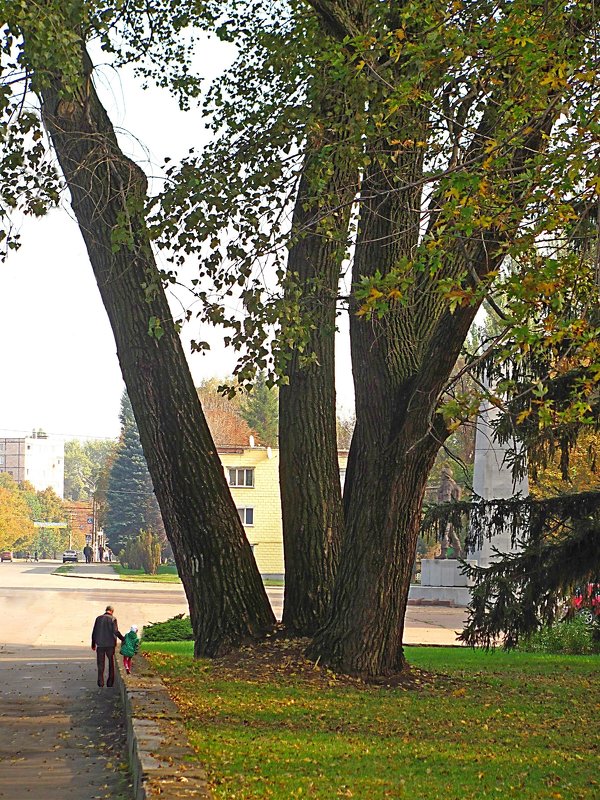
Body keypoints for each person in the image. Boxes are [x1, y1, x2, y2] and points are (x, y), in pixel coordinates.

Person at [91, 604, 123, 687]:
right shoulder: (113, 619)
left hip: (100, 644)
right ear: (112, 611)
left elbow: (94, 631)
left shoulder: (98, 618)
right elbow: (115, 631)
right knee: (111, 663)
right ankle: (110, 682)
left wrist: (93, 644)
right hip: (110, 644)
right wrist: (123, 639)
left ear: (106, 610)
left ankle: (100, 682)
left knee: (100, 664)